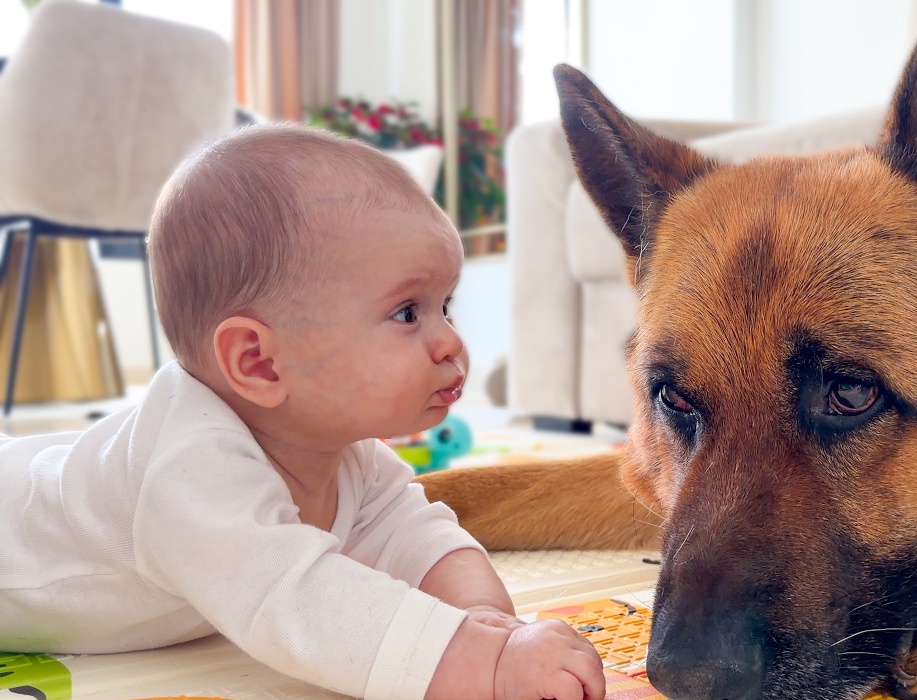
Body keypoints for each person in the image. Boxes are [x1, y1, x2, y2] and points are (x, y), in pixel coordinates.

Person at [0, 125, 606, 700]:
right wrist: (479, 664)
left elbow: (419, 534)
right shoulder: (190, 468)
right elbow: (297, 600)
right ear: (260, 363)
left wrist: (489, 624)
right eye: (406, 313)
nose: (450, 340)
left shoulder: (346, 450)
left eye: (445, 305)